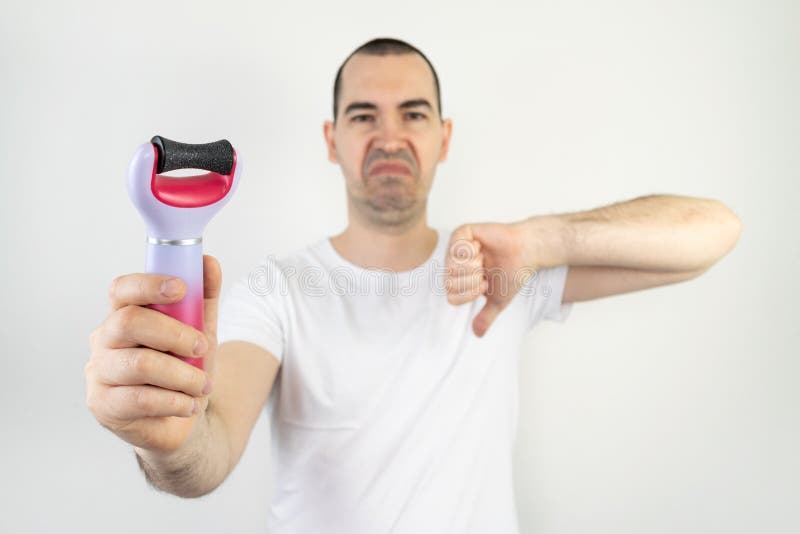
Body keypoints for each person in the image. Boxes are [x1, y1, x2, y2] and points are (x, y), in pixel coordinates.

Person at [86, 37, 742, 533]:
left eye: (415, 114)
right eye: (364, 115)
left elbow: (711, 234)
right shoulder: (278, 290)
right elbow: (207, 451)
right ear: (332, 138)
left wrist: (542, 241)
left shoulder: (505, 268)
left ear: (444, 137)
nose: (391, 135)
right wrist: (166, 439)